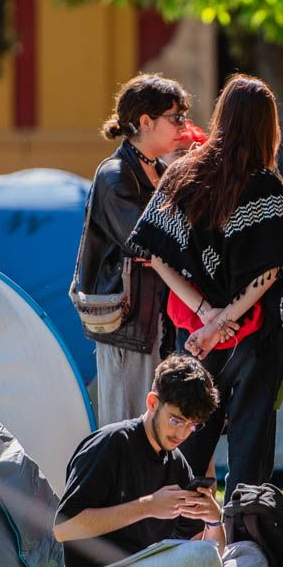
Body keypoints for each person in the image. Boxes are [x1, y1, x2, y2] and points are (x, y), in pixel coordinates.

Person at [129, 75, 283, 505]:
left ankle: (181, 552)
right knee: (250, 459)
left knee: (187, 453)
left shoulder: (180, 177)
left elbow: (155, 254)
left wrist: (206, 314)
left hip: (192, 339)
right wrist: (223, 318)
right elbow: (270, 272)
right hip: (252, 341)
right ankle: (247, 552)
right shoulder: (266, 187)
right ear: (268, 127)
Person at [53, 354, 267, 567]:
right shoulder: (110, 444)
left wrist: (214, 519)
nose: (183, 434)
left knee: (250, 554)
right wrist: (149, 506)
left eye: (193, 426)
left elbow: (210, 553)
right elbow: (63, 529)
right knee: (201, 557)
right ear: (153, 402)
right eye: (177, 420)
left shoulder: (176, 461)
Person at [75, 74, 195, 426]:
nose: (183, 127)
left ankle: (154, 482)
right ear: (146, 121)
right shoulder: (115, 176)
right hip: (126, 318)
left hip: (156, 316)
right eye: (175, 118)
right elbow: (146, 239)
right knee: (127, 418)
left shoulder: (159, 170)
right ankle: (125, 484)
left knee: (155, 414)